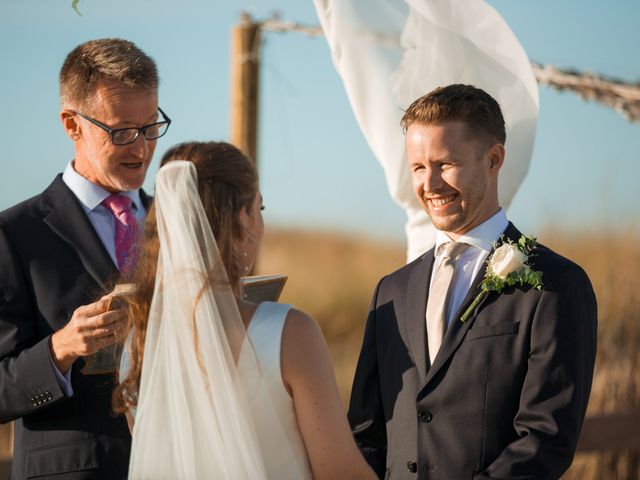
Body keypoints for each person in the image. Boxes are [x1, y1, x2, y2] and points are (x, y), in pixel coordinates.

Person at [348, 84, 597, 479]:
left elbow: (546, 437)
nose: (428, 184)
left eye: (444, 164)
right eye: (417, 167)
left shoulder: (555, 285)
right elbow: (366, 432)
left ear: (494, 159)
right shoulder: (391, 292)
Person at [114, 141, 376, 480]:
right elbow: (339, 472)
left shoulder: (139, 342)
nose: (261, 225)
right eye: (260, 209)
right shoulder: (289, 333)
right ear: (242, 218)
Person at [0, 38, 169, 479]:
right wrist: (61, 349)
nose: (141, 148)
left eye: (151, 126)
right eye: (122, 132)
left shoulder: (175, 224)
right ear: (72, 124)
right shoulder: (13, 235)